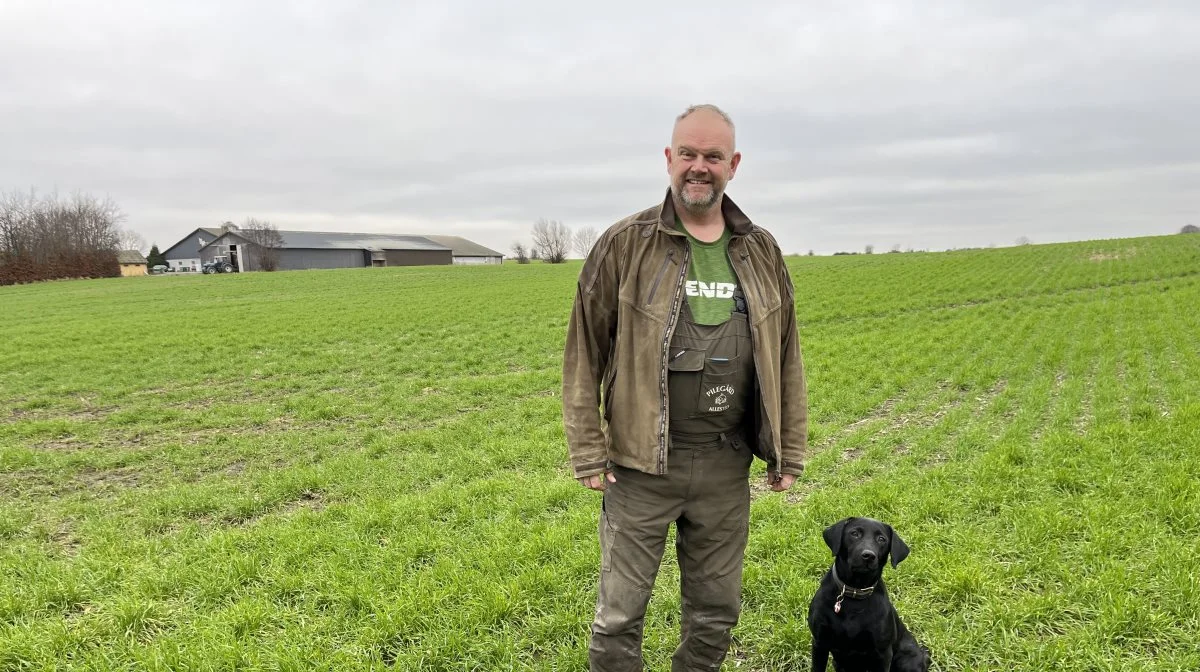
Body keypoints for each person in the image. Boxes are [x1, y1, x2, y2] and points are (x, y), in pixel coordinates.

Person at [561, 103, 809, 671]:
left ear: (734, 164)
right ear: (669, 159)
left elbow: (787, 353)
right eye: (689, 154)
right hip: (641, 465)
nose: (700, 167)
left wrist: (788, 447)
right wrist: (587, 450)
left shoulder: (761, 250)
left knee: (716, 612)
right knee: (620, 616)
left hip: (726, 465)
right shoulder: (626, 245)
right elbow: (583, 354)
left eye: (713, 156)